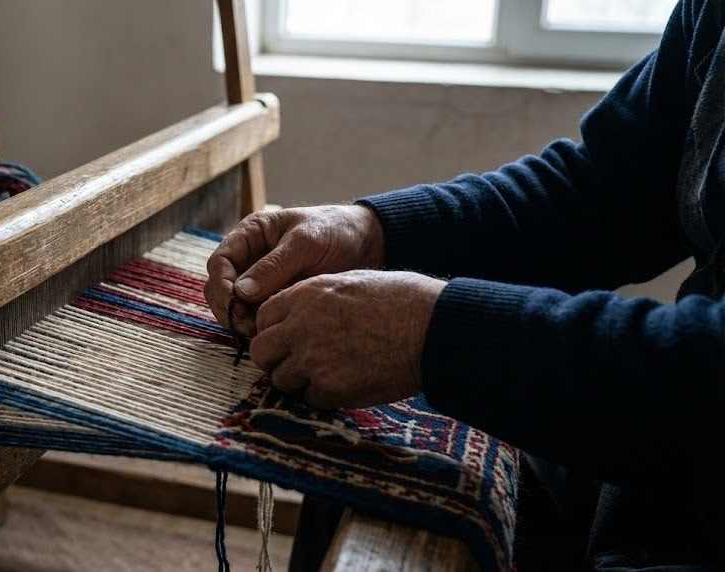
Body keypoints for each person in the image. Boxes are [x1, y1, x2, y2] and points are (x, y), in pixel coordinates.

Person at [203, 0, 725, 570]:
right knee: (371, 447)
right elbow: (599, 192)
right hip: (650, 482)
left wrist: (432, 333)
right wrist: (372, 231)